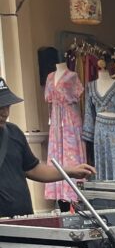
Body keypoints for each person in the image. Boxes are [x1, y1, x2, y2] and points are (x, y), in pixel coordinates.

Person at [0, 77, 95, 217]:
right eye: (0, 107)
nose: (5, 113)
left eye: (7, 106)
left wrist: (70, 171)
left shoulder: (14, 133)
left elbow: (33, 168)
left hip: (24, 221)